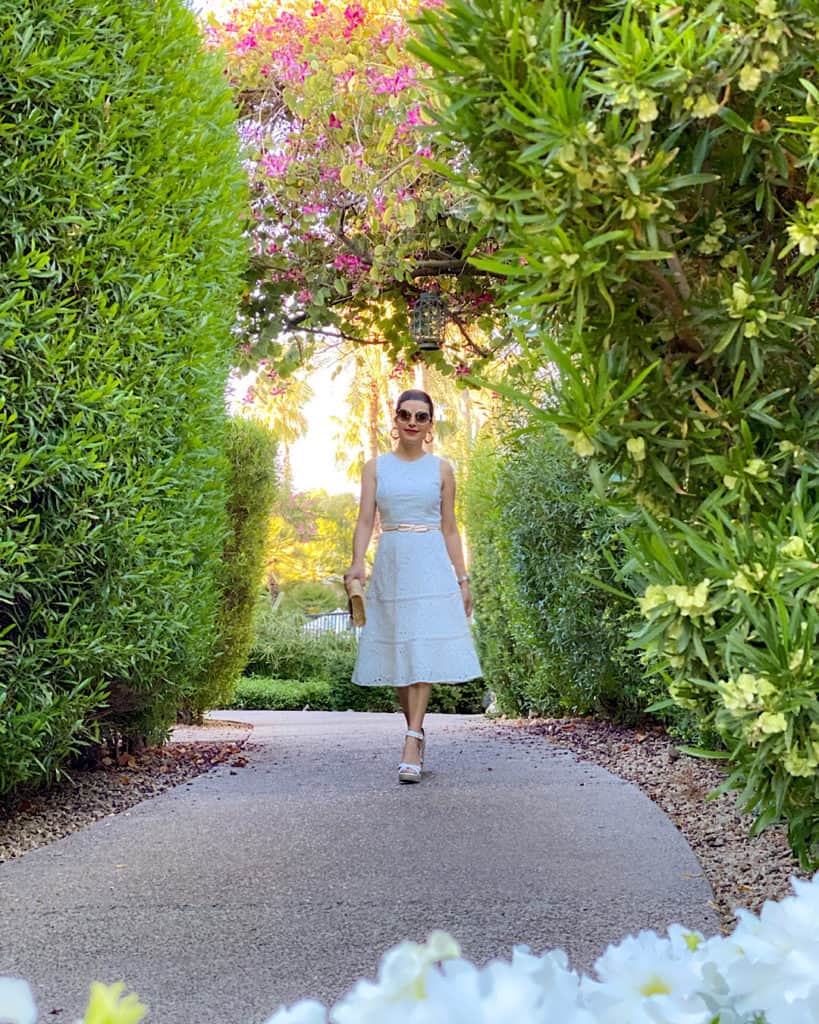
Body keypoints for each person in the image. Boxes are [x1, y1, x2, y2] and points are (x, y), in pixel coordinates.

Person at [343, 389, 482, 784]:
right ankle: (416, 732)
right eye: (405, 414)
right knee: (402, 652)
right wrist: (357, 564)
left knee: (419, 645)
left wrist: (463, 577)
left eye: (421, 417)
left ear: (429, 426)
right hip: (392, 560)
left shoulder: (442, 469)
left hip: (431, 562)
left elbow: (451, 529)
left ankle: (411, 738)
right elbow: (365, 522)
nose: (412, 422)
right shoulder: (375, 468)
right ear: (396, 419)